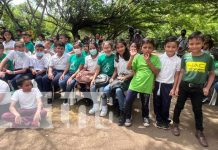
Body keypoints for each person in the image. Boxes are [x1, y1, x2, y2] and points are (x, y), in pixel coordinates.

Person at [172, 31, 215, 147]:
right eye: (191, 44)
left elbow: (212, 74)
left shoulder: (208, 57)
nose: (194, 46)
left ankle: (199, 132)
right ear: (188, 44)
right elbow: (182, 72)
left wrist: (207, 87)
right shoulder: (185, 56)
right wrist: (176, 87)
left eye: (197, 43)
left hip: (198, 88)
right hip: (185, 86)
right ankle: (175, 123)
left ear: (203, 44)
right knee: (179, 105)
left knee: (197, 109)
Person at [124, 38, 161, 127]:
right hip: (135, 84)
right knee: (128, 101)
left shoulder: (156, 58)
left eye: (150, 47)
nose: (147, 49)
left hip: (146, 85)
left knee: (145, 104)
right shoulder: (137, 57)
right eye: (145, 47)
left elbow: (156, 72)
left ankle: (145, 117)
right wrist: (132, 57)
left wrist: (148, 62)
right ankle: (128, 117)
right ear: (141, 48)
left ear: (153, 48)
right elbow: (128, 68)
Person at [101, 39, 133, 124]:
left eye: (121, 47)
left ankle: (123, 112)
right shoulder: (116, 57)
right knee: (106, 90)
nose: (120, 49)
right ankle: (116, 106)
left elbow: (134, 72)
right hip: (119, 78)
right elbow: (116, 70)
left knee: (118, 90)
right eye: (118, 47)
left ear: (125, 46)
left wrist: (125, 77)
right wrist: (112, 78)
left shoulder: (131, 56)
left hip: (129, 78)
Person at [153, 36, 181, 129]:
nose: (170, 49)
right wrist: (153, 83)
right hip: (157, 83)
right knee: (157, 102)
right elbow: (155, 71)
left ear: (177, 48)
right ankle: (158, 119)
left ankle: (165, 120)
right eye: (168, 46)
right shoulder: (159, 58)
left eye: (173, 47)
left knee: (166, 103)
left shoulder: (178, 60)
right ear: (164, 47)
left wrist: (174, 88)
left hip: (168, 85)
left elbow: (177, 75)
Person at [89, 41, 115, 116]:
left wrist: (112, 78)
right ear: (102, 48)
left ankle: (104, 107)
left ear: (111, 47)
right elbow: (97, 69)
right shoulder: (101, 57)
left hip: (110, 78)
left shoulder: (115, 57)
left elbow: (116, 70)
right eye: (105, 48)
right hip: (101, 77)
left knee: (102, 89)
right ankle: (95, 106)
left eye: (108, 47)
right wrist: (93, 79)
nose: (107, 49)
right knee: (92, 86)